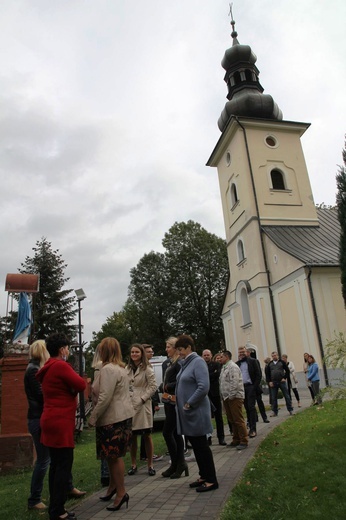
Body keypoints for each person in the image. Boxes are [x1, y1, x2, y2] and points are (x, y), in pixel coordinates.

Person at [36, 333, 86, 520]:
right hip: (60, 420)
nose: (68, 351)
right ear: (61, 349)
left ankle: (56, 509)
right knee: (63, 466)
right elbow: (80, 384)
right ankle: (58, 511)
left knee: (56, 466)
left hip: (50, 418)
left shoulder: (48, 367)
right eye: (67, 347)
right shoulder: (60, 365)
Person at [88, 337, 134, 512]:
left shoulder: (108, 369)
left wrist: (93, 417)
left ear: (105, 351)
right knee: (112, 456)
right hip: (121, 416)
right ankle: (113, 488)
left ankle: (121, 493)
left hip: (112, 418)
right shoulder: (120, 368)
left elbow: (105, 397)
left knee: (114, 457)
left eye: (100, 349)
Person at [175, 334, 218, 493]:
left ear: (188, 347)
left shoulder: (198, 362)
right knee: (197, 447)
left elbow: (203, 387)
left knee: (202, 447)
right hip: (189, 414)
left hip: (196, 412)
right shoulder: (186, 363)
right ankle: (203, 476)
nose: (179, 352)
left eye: (180, 349)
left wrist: (189, 403)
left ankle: (212, 480)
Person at [24, 339, 50, 511]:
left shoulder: (33, 368)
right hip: (37, 418)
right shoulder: (34, 370)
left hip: (36, 417)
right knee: (43, 460)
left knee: (48, 458)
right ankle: (34, 499)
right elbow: (42, 395)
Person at [126, 343, 157, 476]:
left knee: (146, 435)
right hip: (129, 404)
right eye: (132, 352)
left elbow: (153, 386)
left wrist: (143, 398)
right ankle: (133, 464)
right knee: (132, 437)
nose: (134, 354)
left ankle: (150, 464)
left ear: (141, 354)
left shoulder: (147, 369)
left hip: (142, 405)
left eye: (137, 352)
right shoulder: (127, 368)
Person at [161, 336, 188, 479]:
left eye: (168, 347)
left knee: (168, 432)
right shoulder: (170, 363)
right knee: (175, 432)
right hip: (168, 401)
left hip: (174, 402)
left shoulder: (179, 363)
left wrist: (167, 386)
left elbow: (181, 382)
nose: (166, 350)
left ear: (175, 348)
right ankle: (177, 464)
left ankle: (179, 463)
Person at [219, 350, 248, 450]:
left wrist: (231, 395)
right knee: (232, 419)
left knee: (238, 419)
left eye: (221, 357)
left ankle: (244, 440)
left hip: (234, 397)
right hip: (226, 397)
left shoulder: (233, 367)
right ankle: (236, 439)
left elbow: (234, 382)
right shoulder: (224, 367)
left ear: (226, 357)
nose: (220, 359)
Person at [139, 344, 161, 462]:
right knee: (145, 429)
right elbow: (151, 387)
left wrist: (156, 402)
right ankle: (145, 454)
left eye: (152, 352)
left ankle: (145, 453)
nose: (151, 354)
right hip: (144, 401)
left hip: (150, 401)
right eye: (149, 352)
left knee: (147, 429)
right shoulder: (142, 367)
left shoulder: (149, 366)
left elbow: (154, 386)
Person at [236, 346, 262, 437]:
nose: (241, 354)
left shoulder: (253, 361)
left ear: (246, 352)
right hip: (242, 388)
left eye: (243, 352)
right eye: (240, 352)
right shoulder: (237, 364)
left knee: (251, 407)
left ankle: (253, 429)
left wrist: (254, 387)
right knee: (246, 407)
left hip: (251, 386)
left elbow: (258, 374)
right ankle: (249, 425)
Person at [202, 349, 226, 445]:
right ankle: (208, 438)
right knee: (206, 417)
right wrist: (211, 374)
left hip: (215, 393)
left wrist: (207, 375)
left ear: (211, 355)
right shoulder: (201, 365)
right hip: (205, 394)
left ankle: (221, 437)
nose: (206, 356)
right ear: (202, 356)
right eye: (205, 355)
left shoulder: (216, 365)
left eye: (208, 355)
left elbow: (217, 374)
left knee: (218, 416)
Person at [265, 351, 294, 417]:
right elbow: (267, 374)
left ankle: (290, 410)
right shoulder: (270, 364)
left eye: (275, 355)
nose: (274, 357)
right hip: (273, 382)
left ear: (277, 356)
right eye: (272, 356)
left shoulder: (282, 362)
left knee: (287, 396)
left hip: (281, 381)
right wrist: (269, 381)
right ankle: (274, 411)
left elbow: (287, 370)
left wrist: (284, 378)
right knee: (274, 397)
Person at [245, 347, 270, 424]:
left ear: (248, 353)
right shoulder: (242, 363)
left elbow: (258, 373)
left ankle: (264, 417)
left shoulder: (254, 361)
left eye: (245, 352)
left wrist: (256, 384)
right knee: (250, 404)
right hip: (247, 387)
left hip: (255, 386)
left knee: (259, 402)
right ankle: (254, 418)